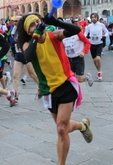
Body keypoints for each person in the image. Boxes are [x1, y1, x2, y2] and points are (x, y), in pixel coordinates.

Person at [17, 13, 93, 164]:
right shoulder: (28, 44)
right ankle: (82, 125)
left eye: (38, 22)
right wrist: (36, 35)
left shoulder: (54, 35)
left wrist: (57, 22)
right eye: (32, 25)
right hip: (48, 90)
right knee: (62, 127)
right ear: (28, 31)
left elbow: (76, 30)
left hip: (65, 84)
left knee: (60, 129)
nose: (37, 25)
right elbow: (27, 56)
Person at [63, 19, 93, 86]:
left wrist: (83, 52)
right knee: (70, 78)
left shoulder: (78, 33)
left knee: (80, 79)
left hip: (78, 57)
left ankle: (87, 77)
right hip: (69, 58)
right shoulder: (63, 35)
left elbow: (88, 42)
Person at [84, 13, 109, 80]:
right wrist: (86, 37)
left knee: (98, 58)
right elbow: (85, 33)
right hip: (92, 44)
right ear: (91, 19)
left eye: (95, 17)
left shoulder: (101, 25)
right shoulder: (89, 26)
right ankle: (99, 71)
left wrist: (104, 36)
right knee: (94, 60)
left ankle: (100, 71)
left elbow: (106, 32)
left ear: (97, 18)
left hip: (99, 43)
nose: (94, 18)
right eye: (92, 17)